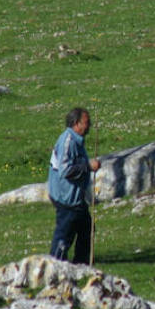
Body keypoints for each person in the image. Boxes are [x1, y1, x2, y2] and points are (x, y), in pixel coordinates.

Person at [47, 107, 100, 264]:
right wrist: (88, 166)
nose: (89, 125)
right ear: (76, 124)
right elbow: (66, 170)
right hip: (66, 198)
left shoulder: (77, 141)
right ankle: (55, 265)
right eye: (86, 122)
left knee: (87, 229)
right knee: (64, 234)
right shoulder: (68, 142)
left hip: (76, 198)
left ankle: (81, 265)